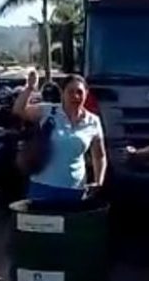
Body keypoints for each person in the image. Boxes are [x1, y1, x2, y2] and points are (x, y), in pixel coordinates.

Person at [13, 71, 107, 201]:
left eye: (80, 92)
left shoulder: (93, 121)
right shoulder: (48, 111)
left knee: (72, 221)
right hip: (43, 187)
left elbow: (99, 156)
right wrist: (29, 88)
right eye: (70, 92)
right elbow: (19, 110)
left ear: (86, 93)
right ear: (62, 93)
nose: (75, 96)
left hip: (74, 190)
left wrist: (98, 182)